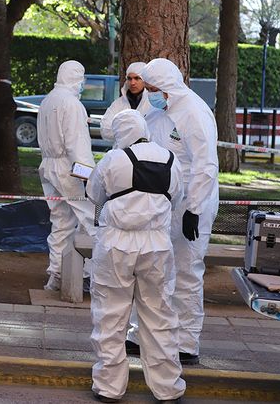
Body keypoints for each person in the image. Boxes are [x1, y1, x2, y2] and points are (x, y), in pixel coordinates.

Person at [87, 109, 185, 403]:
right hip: (156, 245)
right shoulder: (171, 160)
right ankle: (167, 388)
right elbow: (177, 199)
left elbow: (94, 194)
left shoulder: (113, 159)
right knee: (160, 314)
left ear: (120, 133)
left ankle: (109, 386)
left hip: (116, 244)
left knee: (110, 315)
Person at [126, 58, 219, 365]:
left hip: (192, 201)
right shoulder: (157, 111)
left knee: (186, 269)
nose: (149, 93)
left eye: (153, 88)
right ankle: (142, 334)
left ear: (167, 87)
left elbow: (206, 165)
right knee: (152, 268)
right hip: (161, 201)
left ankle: (186, 342)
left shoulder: (193, 112)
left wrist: (194, 208)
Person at [37, 60, 96, 291]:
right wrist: (89, 176)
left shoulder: (48, 100)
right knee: (90, 218)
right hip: (68, 168)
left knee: (60, 222)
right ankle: (89, 275)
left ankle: (57, 274)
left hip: (48, 165)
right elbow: (76, 145)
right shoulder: (72, 104)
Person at [99, 62, 151, 142]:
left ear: (145, 80)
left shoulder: (152, 103)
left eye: (137, 78)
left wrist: (122, 129)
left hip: (147, 149)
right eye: (129, 78)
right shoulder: (119, 103)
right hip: (122, 149)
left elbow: (156, 131)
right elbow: (105, 129)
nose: (132, 83)